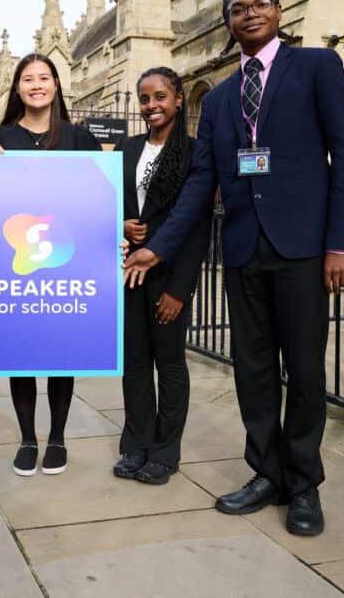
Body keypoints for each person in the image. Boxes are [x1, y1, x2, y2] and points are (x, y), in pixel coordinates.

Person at [123, 0, 344, 536]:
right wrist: (157, 248)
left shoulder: (316, 68)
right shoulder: (222, 98)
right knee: (253, 372)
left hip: (304, 248)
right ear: (228, 22)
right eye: (238, 9)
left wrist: (339, 243)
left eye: (260, 4)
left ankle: (303, 485)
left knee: (304, 370)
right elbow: (200, 180)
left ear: (278, 11)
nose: (250, 14)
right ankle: (266, 473)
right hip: (242, 250)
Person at [0, 53, 102, 476]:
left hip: (66, 265)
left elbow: (97, 202)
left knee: (60, 354)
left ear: (56, 84)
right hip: (16, 265)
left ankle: (56, 437)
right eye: (28, 79)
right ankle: (27, 439)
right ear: (16, 89)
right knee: (21, 353)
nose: (36, 85)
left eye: (44, 78)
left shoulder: (80, 138)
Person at [112, 67, 211, 485]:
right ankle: (136, 444)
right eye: (145, 98)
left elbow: (196, 224)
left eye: (160, 97)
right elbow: (107, 202)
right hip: (129, 273)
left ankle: (166, 451)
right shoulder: (126, 148)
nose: (152, 105)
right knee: (134, 363)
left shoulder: (193, 152)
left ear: (177, 99)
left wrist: (180, 290)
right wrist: (121, 224)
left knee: (168, 364)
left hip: (169, 275)